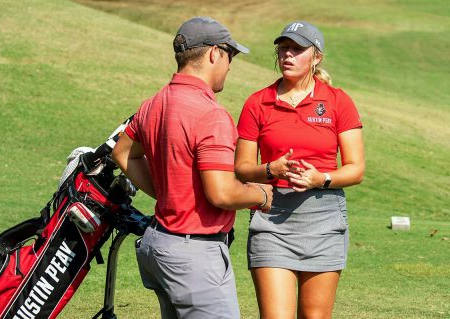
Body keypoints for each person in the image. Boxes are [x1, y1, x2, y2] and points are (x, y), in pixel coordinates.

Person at [112, 16, 274, 319]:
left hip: (159, 245)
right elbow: (222, 194)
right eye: (230, 56)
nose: (230, 66)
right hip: (194, 258)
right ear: (215, 53)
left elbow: (123, 154)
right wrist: (261, 195)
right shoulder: (211, 114)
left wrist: (168, 193)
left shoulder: (153, 102)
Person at [235, 21, 365, 318]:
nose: (288, 55)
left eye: (297, 49)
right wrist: (271, 169)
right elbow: (242, 169)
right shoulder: (257, 102)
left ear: (316, 57)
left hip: (324, 217)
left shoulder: (338, 101)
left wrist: (322, 178)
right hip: (271, 219)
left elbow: (356, 169)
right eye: (283, 49)